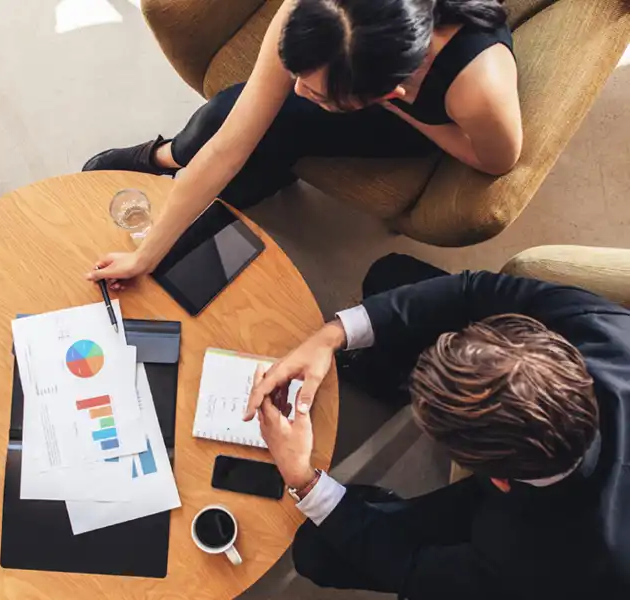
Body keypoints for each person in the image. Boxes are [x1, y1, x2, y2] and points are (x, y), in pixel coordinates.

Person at [246, 254, 630, 599]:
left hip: (540, 530)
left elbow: (413, 569)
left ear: (493, 477)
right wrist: (332, 335)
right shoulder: (604, 328)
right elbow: (472, 290)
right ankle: (382, 376)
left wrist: (303, 480)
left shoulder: (543, 564)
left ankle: (388, 506)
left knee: (317, 551)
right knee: (391, 274)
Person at [84, 0, 521, 289]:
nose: (295, 92)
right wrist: (145, 257)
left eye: (315, 94)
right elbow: (227, 147)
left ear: (385, 96)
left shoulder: (479, 87)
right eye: (297, 77)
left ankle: (245, 184)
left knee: (265, 149)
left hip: (412, 120)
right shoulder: (317, 12)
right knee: (225, 117)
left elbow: (495, 160)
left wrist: (403, 112)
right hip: (370, 82)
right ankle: (166, 154)